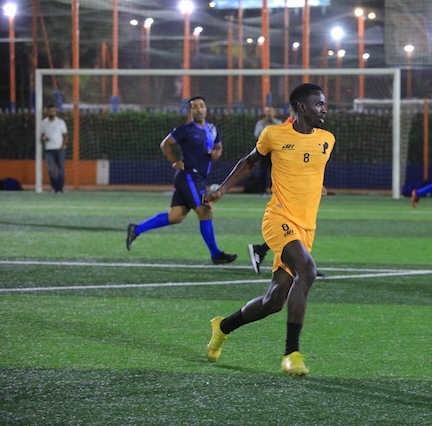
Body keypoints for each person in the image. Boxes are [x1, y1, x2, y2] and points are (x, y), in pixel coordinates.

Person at [205, 83, 334, 376]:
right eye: (319, 104)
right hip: (278, 218)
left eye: (324, 104)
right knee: (308, 271)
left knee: (273, 301)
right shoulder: (273, 134)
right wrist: (222, 189)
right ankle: (291, 354)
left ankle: (223, 327)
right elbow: (249, 162)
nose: (324, 109)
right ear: (301, 107)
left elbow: (308, 170)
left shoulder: (327, 140)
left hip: (306, 228)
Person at [125, 96, 237, 265]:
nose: (199, 109)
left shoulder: (212, 129)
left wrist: (216, 153)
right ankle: (216, 254)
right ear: (190, 111)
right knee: (205, 212)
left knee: (175, 216)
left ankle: (136, 229)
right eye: (195, 107)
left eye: (201, 106)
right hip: (189, 177)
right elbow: (165, 144)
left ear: (206, 109)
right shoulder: (185, 130)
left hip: (197, 178)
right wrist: (175, 161)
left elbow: (218, 147)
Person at [248, 186, 327, 277]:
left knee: (298, 229)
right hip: (289, 199)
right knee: (293, 230)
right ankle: (304, 266)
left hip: (303, 196)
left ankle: (304, 265)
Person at [253, 106, 283, 194]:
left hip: (275, 150)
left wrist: (273, 123)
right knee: (263, 170)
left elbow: (281, 134)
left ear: (274, 113)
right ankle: (262, 190)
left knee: (275, 170)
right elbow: (256, 134)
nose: (269, 113)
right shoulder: (260, 123)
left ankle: (274, 189)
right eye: (268, 111)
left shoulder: (278, 123)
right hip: (264, 150)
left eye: (271, 111)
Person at [40, 104, 68, 193]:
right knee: (51, 170)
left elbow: (65, 136)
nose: (52, 112)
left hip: (60, 149)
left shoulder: (60, 122)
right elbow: (42, 136)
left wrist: (62, 146)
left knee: (61, 169)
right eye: (50, 111)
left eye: (53, 111)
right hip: (49, 149)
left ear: (55, 112)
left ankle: (60, 188)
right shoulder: (44, 123)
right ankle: (54, 187)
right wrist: (44, 139)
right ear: (47, 112)